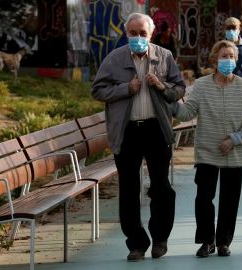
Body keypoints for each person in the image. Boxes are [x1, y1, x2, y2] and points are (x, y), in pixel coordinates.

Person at [91, 12, 186, 262]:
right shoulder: (114, 58)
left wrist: (161, 86)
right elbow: (97, 90)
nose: (138, 38)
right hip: (128, 132)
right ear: (126, 34)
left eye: (143, 33)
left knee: (161, 188)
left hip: (157, 129)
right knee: (129, 189)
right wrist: (126, 89)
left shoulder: (164, 57)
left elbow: (179, 90)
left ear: (151, 34)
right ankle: (136, 243)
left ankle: (160, 239)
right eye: (133, 33)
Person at [173, 40, 242, 258]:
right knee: (203, 197)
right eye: (224, 56)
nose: (228, 60)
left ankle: (223, 242)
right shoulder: (202, 85)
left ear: (236, 59)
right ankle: (206, 241)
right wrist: (168, 100)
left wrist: (235, 138)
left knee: (230, 199)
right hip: (207, 151)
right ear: (214, 60)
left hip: (235, 151)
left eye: (232, 56)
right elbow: (187, 113)